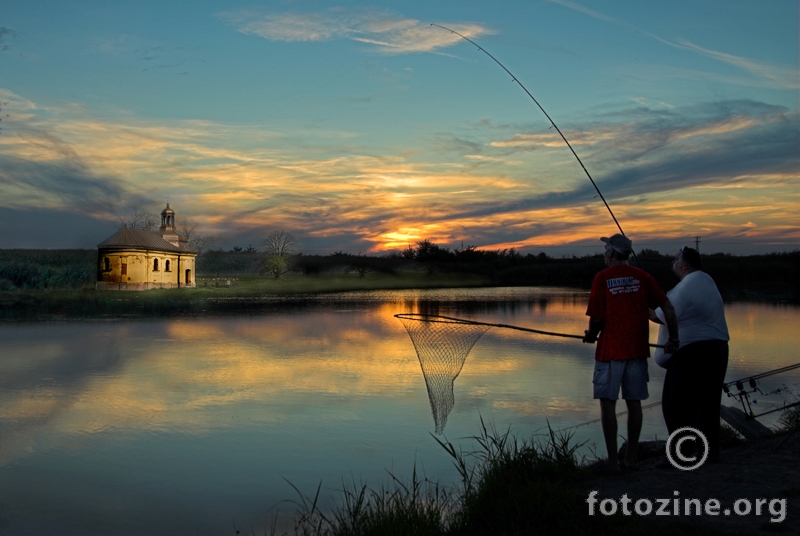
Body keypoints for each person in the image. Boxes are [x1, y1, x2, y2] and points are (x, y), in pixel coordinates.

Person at [583, 234, 679, 472]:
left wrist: (591, 334)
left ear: (612, 253)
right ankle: (631, 458)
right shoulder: (643, 277)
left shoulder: (602, 278)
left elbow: (597, 318)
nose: (604, 252)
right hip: (637, 351)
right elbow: (667, 307)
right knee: (634, 403)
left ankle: (613, 462)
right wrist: (674, 338)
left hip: (610, 352)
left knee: (608, 404)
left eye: (606, 248)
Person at [653, 247, 729, 462]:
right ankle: (710, 452)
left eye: (676, 259)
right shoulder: (707, 281)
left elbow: (661, 315)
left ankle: (682, 453)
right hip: (719, 348)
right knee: (708, 402)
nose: (673, 262)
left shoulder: (686, 285)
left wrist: (642, 308)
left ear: (684, 266)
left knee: (674, 403)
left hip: (694, 351)